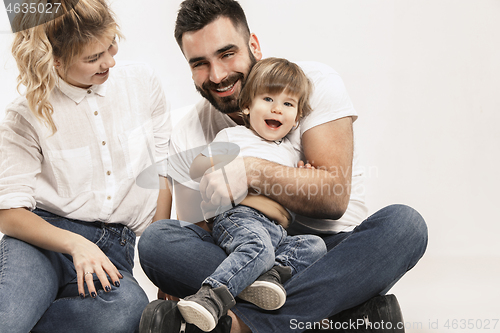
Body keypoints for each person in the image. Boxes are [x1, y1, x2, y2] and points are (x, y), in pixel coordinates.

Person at [138, 0, 428, 332]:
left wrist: (249, 170)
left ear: (254, 46)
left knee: (406, 226)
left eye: (226, 54)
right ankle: (343, 315)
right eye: (200, 63)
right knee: (157, 241)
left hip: (326, 252)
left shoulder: (311, 83)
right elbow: (201, 233)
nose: (217, 75)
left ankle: (243, 325)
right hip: (243, 248)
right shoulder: (190, 133)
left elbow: (332, 198)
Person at [0, 0, 171, 332]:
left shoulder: (142, 83)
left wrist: (161, 257)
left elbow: (162, 171)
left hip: (114, 250)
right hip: (42, 243)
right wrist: (76, 243)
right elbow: (7, 212)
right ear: (55, 59)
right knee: (10, 318)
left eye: (111, 45)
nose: (109, 61)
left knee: (130, 311)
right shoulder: (24, 115)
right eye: (93, 58)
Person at [177, 57, 327, 332]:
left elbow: (299, 191)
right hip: (239, 218)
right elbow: (198, 168)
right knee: (257, 246)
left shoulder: (293, 152)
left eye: (288, 104)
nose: (277, 109)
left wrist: (303, 174)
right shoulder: (233, 137)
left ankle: (265, 277)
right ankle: (210, 297)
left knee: (314, 246)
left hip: (278, 231)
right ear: (247, 105)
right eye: (268, 98)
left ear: (297, 118)